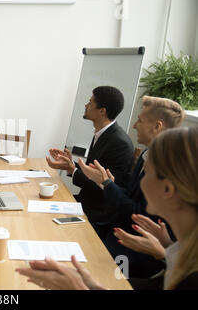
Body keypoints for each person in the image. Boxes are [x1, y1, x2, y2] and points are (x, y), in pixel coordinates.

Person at [17, 126, 198, 290]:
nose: (139, 183)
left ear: (167, 189)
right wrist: (92, 285)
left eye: (147, 173)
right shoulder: (184, 249)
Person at [77, 96, 184, 281]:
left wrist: (107, 185)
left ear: (157, 126)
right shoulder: (146, 153)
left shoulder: (168, 168)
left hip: (135, 252)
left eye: (140, 120)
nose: (134, 126)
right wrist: (107, 183)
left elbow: (138, 215)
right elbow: (128, 196)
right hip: (117, 234)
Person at [46, 86, 133, 232]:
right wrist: (69, 165)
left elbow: (103, 188)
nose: (86, 106)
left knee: (45, 216)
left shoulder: (120, 143)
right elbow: (92, 174)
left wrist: (73, 170)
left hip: (98, 213)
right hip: (87, 203)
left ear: (102, 111)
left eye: (90, 102)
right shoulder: (102, 133)